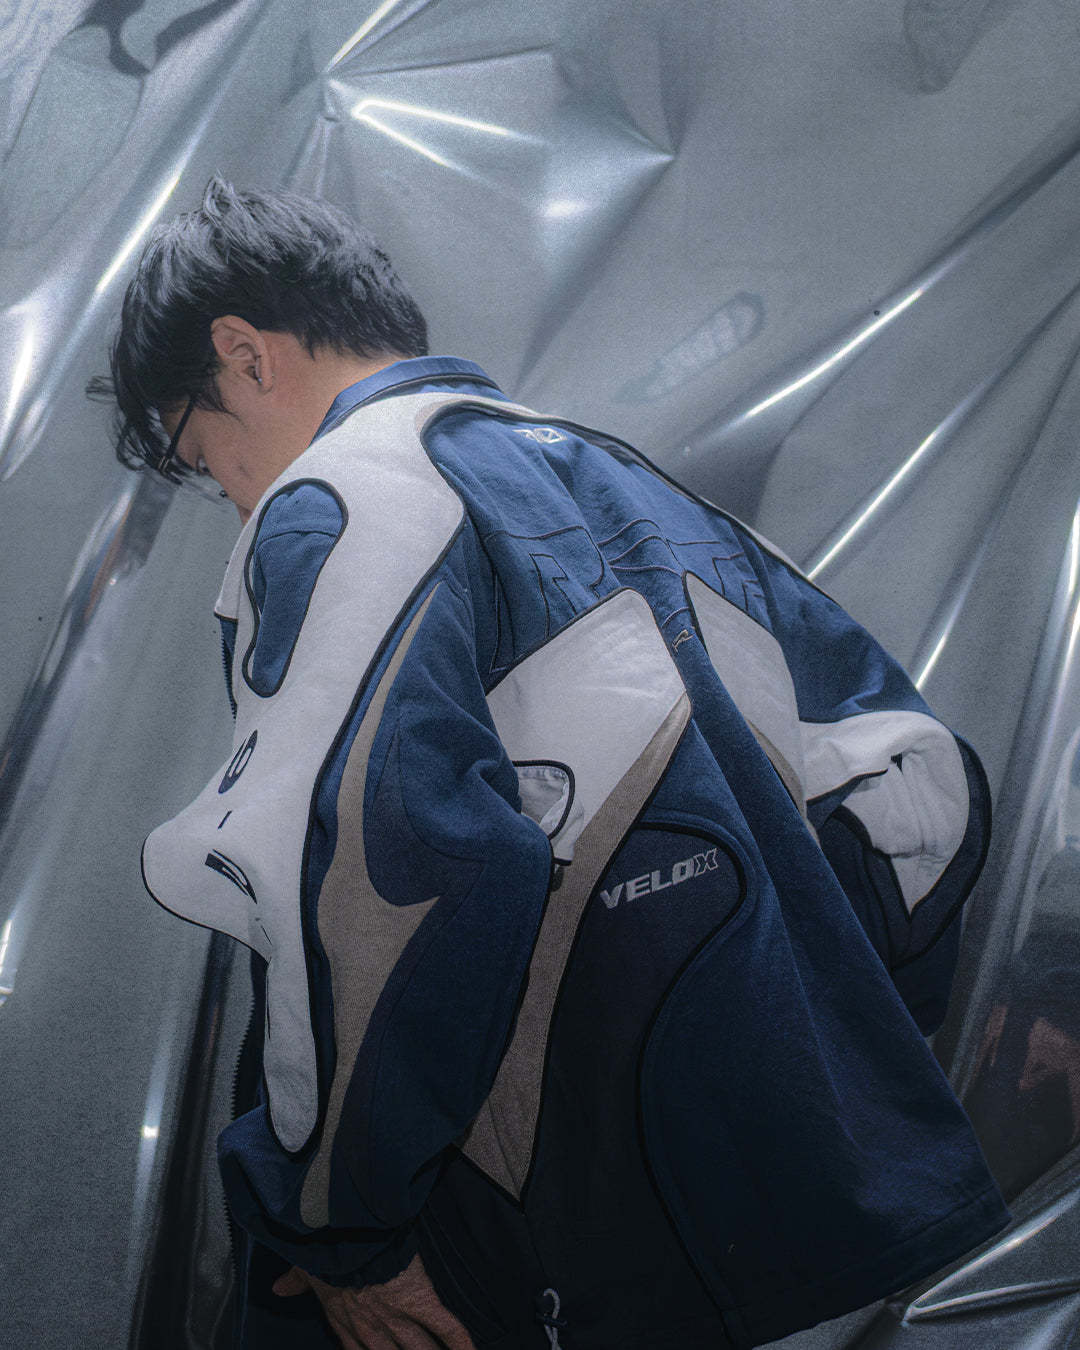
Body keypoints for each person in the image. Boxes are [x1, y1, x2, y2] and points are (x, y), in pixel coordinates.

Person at [88, 176, 1012, 1350]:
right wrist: (815, 1051)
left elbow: (376, 883)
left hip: (522, 1242)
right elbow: (921, 790)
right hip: (773, 1225)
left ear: (245, 355)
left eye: (203, 450)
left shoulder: (343, 498)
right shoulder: (639, 487)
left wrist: (342, 1227)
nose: (232, 497)